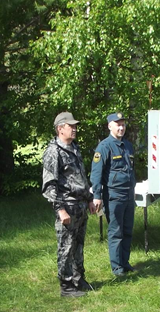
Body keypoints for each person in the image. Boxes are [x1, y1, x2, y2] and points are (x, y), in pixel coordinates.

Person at [42, 111, 96, 297]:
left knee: (78, 245)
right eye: (70, 126)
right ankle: (66, 286)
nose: (74, 129)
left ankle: (78, 278)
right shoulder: (53, 152)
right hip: (67, 206)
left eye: (74, 126)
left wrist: (89, 199)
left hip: (80, 205)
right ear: (60, 129)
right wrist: (60, 210)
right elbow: (50, 185)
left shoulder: (74, 148)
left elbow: (81, 177)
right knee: (66, 247)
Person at [90, 112, 136, 277]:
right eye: (118, 124)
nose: (121, 127)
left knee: (127, 229)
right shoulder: (104, 147)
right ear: (110, 126)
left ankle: (125, 262)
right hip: (114, 195)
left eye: (123, 124)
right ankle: (117, 267)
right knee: (116, 231)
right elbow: (96, 173)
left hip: (129, 195)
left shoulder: (128, 146)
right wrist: (97, 195)